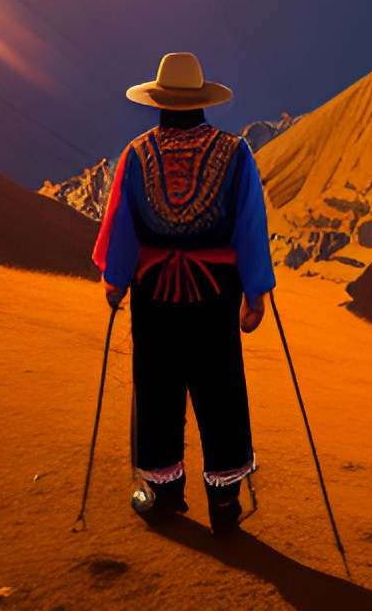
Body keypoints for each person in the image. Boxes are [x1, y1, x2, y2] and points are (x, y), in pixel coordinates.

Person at [92, 52, 276, 534]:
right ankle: (225, 505)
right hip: (215, 292)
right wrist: (256, 294)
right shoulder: (234, 154)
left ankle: (164, 493)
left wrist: (115, 281)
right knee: (221, 386)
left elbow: (123, 226)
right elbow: (251, 228)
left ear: (158, 100)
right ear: (200, 100)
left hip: (154, 292)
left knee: (157, 385)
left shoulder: (137, 153)